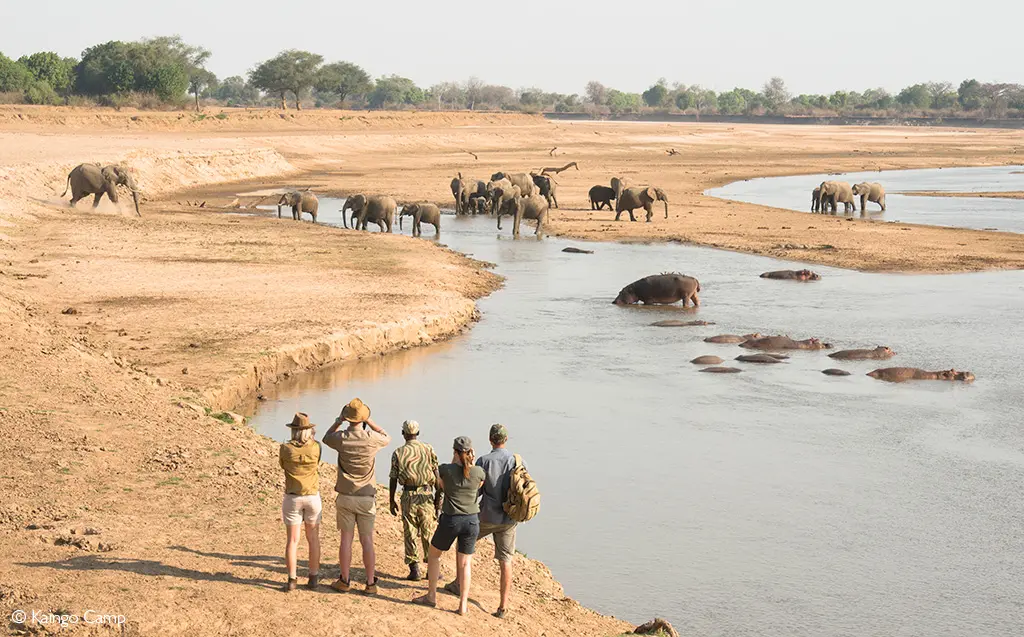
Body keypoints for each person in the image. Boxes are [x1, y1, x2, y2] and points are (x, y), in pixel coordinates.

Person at [446, 423, 524, 618]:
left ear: (490, 440)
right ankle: (503, 607)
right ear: (506, 440)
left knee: (463, 546)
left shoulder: (484, 461)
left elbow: (476, 489)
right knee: (506, 561)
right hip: (509, 519)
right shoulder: (517, 461)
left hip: (486, 516)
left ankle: (458, 583)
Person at [322, 398, 390, 594]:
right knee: (367, 540)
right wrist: (370, 422)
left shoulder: (341, 437)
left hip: (345, 496)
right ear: (364, 418)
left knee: (346, 540)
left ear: (347, 418)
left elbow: (327, 437)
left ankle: (344, 580)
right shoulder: (371, 438)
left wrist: (338, 421)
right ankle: (370, 583)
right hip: (366, 497)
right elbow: (386, 436)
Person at [413, 436, 485, 616]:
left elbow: (441, 485)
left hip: (451, 520)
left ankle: (431, 597)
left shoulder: (446, 469)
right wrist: (470, 462)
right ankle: (463, 605)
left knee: (434, 554)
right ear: (471, 452)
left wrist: (455, 461)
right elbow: (478, 485)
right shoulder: (479, 472)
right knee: (465, 563)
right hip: (472, 521)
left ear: (455, 452)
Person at [388, 419, 441, 581]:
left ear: (403, 434)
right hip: (426, 495)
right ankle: (432, 570)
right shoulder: (428, 449)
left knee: (410, 532)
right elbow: (437, 476)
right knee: (429, 533)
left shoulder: (398, 452)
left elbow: (393, 478)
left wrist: (391, 500)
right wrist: (438, 500)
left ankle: (414, 569)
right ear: (417, 433)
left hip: (408, 496)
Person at [279, 413, 322, 592]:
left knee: (293, 541)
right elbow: (317, 460)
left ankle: (292, 580)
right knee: (313, 539)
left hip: (293, 497)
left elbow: (282, 465)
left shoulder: (286, 448)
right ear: (309, 431)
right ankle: (313, 578)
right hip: (312, 496)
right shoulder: (316, 447)